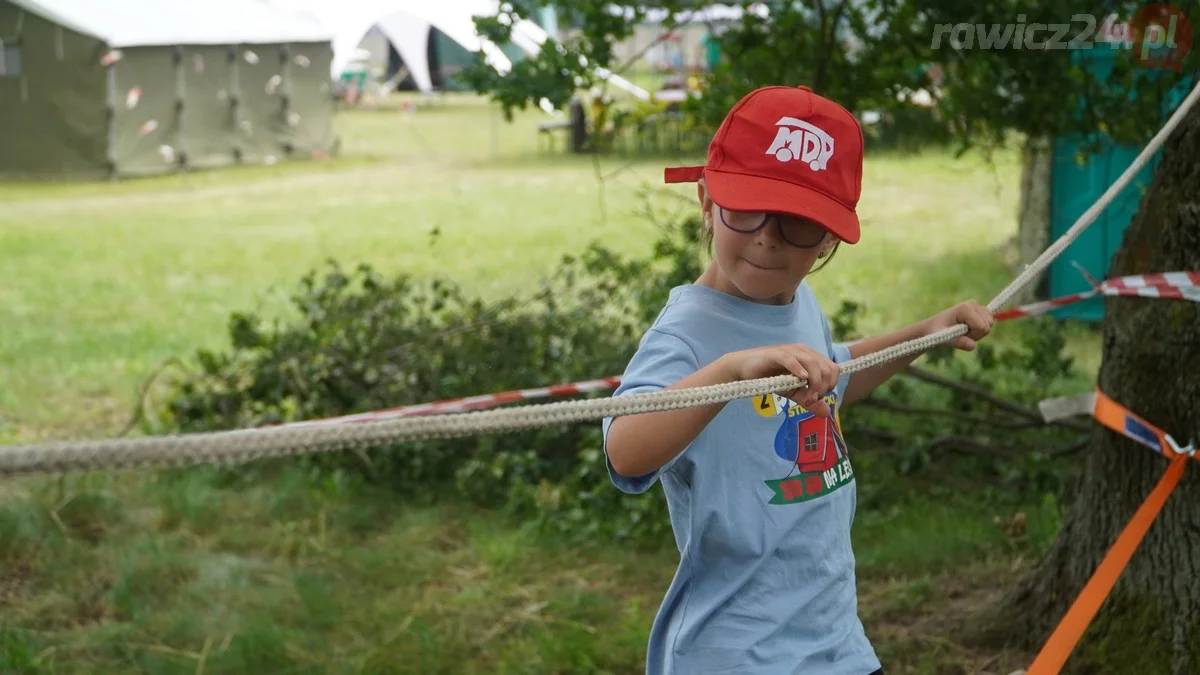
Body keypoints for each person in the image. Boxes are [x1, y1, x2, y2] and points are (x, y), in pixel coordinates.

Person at [601, 85, 995, 675]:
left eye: (797, 225)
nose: (766, 236)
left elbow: (832, 377)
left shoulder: (797, 301)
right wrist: (731, 371)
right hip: (736, 654)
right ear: (707, 201)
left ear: (831, 235)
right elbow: (624, 450)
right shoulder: (685, 333)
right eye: (745, 209)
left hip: (832, 641)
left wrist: (924, 333)